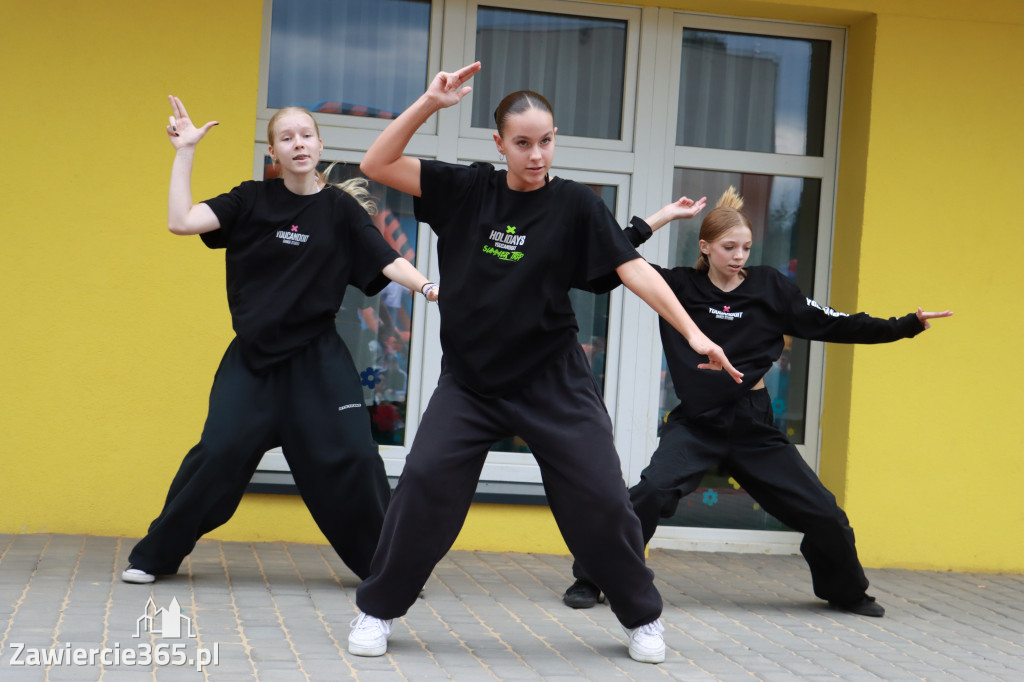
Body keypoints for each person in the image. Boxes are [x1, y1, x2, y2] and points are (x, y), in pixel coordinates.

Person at [346, 61, 742, 665]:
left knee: (603, 501)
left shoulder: (576, 206)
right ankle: (377, 609)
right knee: (424, 484)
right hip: (471, 383)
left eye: (547, 141)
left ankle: (642, 618)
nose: (537, 155)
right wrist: (429, 102)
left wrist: (692, 333)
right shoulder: (465, 188)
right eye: (524, 143)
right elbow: (376, 165)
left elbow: (632, 269)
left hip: (552, 382)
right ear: (499, 143)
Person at [561, 186, 952, 618]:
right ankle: (592, 578)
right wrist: (663, 217)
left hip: (753, 425)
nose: (739, 256)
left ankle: (845, 591)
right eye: (729, 247)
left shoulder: (770, 287)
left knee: (824, 513)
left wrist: (904, 326)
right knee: (650, 493)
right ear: (705, 248)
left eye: (746, 247)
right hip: (699, 424)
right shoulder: (679, 285)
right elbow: (609, 259)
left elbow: (834, 323)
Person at [121, 96, 439, 585]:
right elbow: (181, 221)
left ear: (319, 144)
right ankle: (154, 557)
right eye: (286, 138)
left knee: (355, 457)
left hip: (318, 361)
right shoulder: (250, 199)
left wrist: (427, 286)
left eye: (305, 135)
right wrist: (185, 151)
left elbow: (384, 258)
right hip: (253, 362)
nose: (298, 144)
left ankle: (389, 572)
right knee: (218, 453)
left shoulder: (340, 209)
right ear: (273, 152)